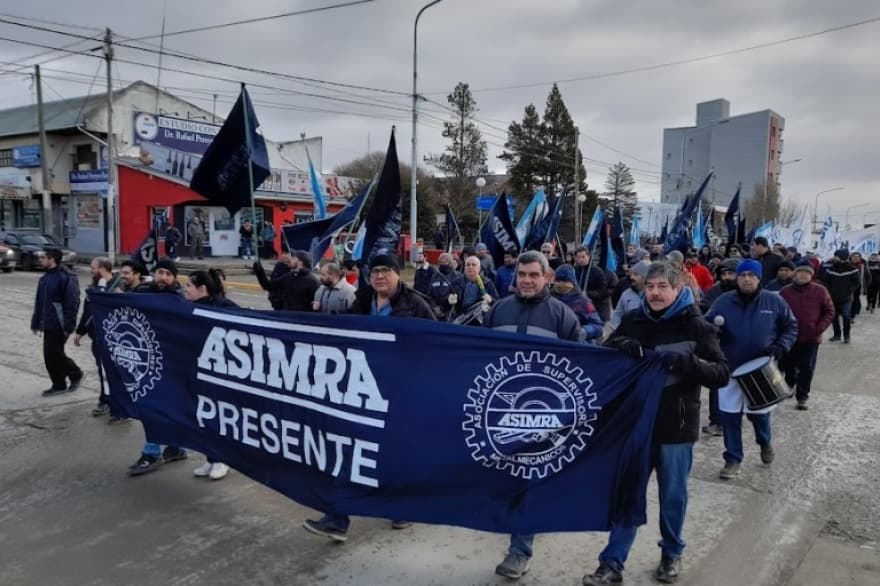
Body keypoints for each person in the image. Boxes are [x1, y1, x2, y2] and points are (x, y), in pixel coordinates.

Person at [584, 262, 729, 586]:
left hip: (676, 426)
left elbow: (721, 373)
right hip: (636, 424)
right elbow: (605, 354)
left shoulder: (697, 326)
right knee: (628, 494)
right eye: (650, 286)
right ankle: (612, 563)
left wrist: (686, 363)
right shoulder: (634, 320)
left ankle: (671, 553)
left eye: (663, 286)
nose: (655, 293)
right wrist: (620, 345)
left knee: (672, 496)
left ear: (678, 289)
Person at [303, 254, 433, 542]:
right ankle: (337, 518)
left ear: (398, 274)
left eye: (386, 270)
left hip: (399, 392)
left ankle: (402, 507)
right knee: (349, 450)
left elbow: (436, 345)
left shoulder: (416, 304)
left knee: (394, 454)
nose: (380, 276)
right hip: (361, 389)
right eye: (375, 271)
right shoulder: (361, 300)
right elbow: (345, 335)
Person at [482, 250, 582, 580]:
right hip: (499, 411)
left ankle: (519, 551)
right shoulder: (498, 310)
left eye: (533, 275)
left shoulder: (563, 317)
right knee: (502, 478)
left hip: (540, 415)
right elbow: (479, 355)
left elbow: (580, 365)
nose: (526, 280)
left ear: (547, 277)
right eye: (522, 275)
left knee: (529, 480)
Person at [705, 259, 797, 480]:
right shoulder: (724, 301)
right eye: (743, 275)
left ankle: (764, 442)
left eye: (751, 275)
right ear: (737, 278)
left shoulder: (774, 301)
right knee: (729, 417)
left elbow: (791, 327)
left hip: (760, 371)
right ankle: (733, 459)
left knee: (759, 416)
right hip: (729, 369)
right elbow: (706, 326)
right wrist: (714, 335)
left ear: (759, 278)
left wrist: (781, 345)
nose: (747, 279)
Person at [128, 258, 189, 476]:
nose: (163, 277)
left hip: (171, 362)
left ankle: (153, 453)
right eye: (160, 272)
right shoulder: (142, 292)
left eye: (168, 274)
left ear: (174, 277)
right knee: (155, 406)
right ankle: (173, 447)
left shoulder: (180, 299)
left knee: (159, 407)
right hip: (147, 360)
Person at [184, 268, 238, 480]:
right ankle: (211, 458)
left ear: (202, 288)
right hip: (197, 370)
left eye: (189, 285)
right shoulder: (186, 307)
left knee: (218, 417)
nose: (185, 289)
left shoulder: (224, 306)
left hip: (219, 373)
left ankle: (222, 459)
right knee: (201, 417)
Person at [779, 260, 835, 410]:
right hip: (789, 337)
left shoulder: (820, 291)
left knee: (807, 367)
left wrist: (819, 328)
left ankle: (802, 396)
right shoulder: (785, 292)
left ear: (812, 275)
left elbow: (829, 311)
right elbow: (778, 312)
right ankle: (789, 385)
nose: (803, 275)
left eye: (807, 272)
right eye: (800, 272)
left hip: (811, 337)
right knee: (788, 366)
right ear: (795, 274)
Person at [31, 248, 83, 397]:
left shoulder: (66, 277)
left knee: (53, 354)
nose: (40, 260)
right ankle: (66, 380)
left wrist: (69, 325)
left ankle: (69, 378)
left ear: (52, 259)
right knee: (52, 355)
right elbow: (39, 302)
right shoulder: (45, 278)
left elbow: (72, 303)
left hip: (60, 324)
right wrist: (36, 322)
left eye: (43, 257)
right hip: (48, 323)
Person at [74, 257, 122, 416]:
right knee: (102, 370)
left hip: (113, 339)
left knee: (113, 372)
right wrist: (80, 331)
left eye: (93, 268)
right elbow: (87, 311)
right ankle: (106, 399)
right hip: (97, 337)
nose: (91, 270)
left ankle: (111, 401)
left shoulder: (118, 288)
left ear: (102, 269)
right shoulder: (94, 288)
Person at [699, 259, 739, 437]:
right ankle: (717, 421)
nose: (727, 277)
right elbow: (703, 313)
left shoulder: (748, 294)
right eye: (724, 274)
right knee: (717, 382)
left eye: (731, 273)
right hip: (719, 345)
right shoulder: (714, 292)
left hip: (741, 346)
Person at [551, 264, 604, 343]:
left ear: (573, 282)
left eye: (565, 281)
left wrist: (583, 331)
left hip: (575, 344)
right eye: (558, 281)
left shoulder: (583, 302)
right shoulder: (549, 298)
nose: (561, 284)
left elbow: (598, 326)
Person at [253, 250, 320, 312]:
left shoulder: (313, 282)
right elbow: (268, 286)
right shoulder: (289, 276)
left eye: (293, 258)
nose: (290, 259)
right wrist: (259, 271)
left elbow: (317, 306)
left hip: (300, 318)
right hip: (285, 315)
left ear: (300, 262)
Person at [820, 249, 860, 343]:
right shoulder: (831, 269)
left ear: (842, 257)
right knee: (834, 317)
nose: (835, 258)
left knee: (846, 316)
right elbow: (826, 282)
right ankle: (837, 335)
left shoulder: (852, 269)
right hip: (832, 298)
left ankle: (847, 336)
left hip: (846, 298)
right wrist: (829, 292)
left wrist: (849, 291)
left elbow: (856, 283)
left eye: (837, 256)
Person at [452, 255, 499, 325]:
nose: (470, 267)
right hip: (460, 319)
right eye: (468, 265)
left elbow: (497, 302)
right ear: (464, 268)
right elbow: (446, 302)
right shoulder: (456, 282)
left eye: (473, 265)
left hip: (478, 320)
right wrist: (448, 299)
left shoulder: (487, 282)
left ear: (479, 268)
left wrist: (490, 299)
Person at [574, 247, 611, 323]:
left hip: (597, 309)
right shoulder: (575, 270)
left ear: (588, 257)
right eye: (578, 257)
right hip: (581, 308)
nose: (581, 259)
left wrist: (587, 294)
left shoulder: (597, 272)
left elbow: (602, 292)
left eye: (583, 257)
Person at [610, 260, 650, 329]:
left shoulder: (654, 295)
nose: (631, 277)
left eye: (636, 274)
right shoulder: (626, 294)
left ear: (645, 277)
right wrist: (618, 329)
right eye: (632, 274)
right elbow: (618, 314)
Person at [428, 252, 464, 320]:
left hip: (450, 314)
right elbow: (429, 294)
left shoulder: (457, 276)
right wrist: (434, 307)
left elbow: (456, 295)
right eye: (440, 262)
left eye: (444, 262)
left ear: (450, 263)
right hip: (434, 313)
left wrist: (442, 308)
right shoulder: (434, 276)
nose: (442, 264)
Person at [848, 252, 871, 320]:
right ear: (851, 258)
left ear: (860, 258)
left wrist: (866, 284)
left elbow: (868, 275)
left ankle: (852, 315)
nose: (855, 258)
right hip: (849, 285)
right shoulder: (847, 265)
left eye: (857, 257)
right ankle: (852, 311)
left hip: (859, 285)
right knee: (849, 299)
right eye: (854, 257)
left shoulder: (863, 265)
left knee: (855, 298)